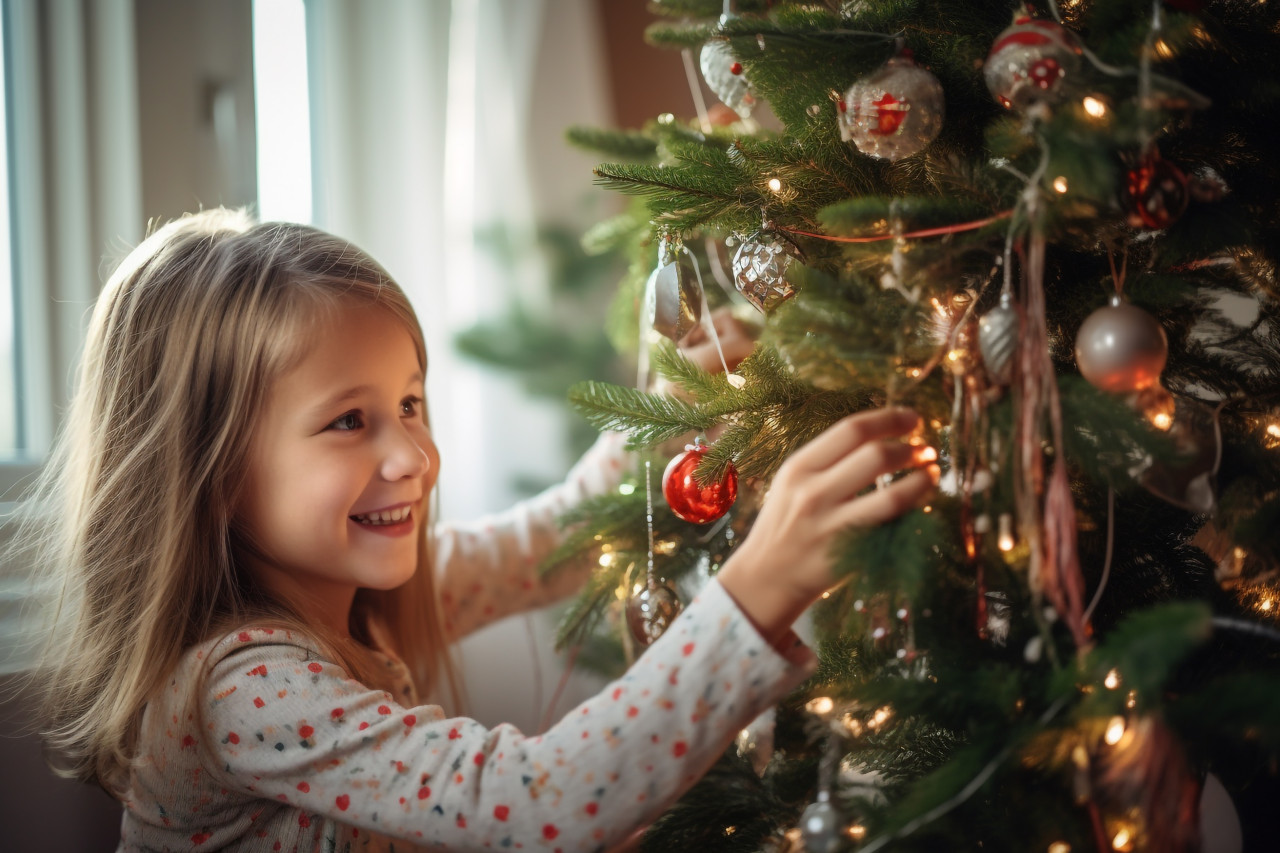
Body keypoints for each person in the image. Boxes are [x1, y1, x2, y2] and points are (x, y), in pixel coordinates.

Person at [12, 208, 939, 852]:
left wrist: (653, 429)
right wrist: (761, 587)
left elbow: (538, 549)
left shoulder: (359, 593)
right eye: (349, 421)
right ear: (212, 475)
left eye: (410, 403)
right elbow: (539, 801)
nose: (413, 454)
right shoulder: (243, 689)